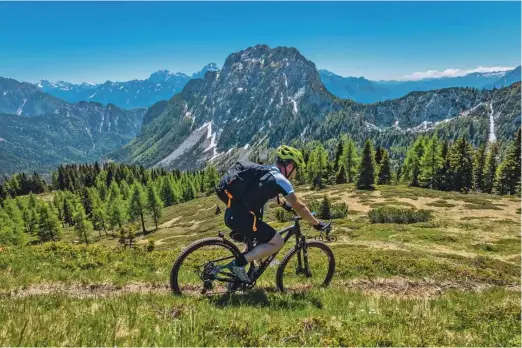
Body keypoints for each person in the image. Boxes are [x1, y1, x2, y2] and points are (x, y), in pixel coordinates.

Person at [216, 145, 328, 283]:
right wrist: (317, 224)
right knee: (277, 242)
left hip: (232, 214)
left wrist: (284, 205)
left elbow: (267, 193)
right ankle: (237, 265)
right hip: (243, 219)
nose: (295, 173)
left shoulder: (267, 171)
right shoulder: (281, 180)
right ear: (289, 166)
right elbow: (299, 206)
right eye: (296, 168)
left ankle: (236, 282)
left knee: (259, 240)